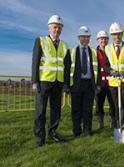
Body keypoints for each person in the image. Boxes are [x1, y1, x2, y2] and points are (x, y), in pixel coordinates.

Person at [32, 15, 70, 147]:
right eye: (55, 27)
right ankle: (39, 138)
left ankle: (52, 133)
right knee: (40, 111)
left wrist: (66, 83)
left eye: (59, 27)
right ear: (49, 28)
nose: (57, 30)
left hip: (58, 82)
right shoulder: (41, 41)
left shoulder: (65, 45)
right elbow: (35, 62)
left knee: (56, 110)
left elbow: (67, 67)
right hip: (44, 82)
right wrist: (34, 81)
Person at [103, 22, 124, 130]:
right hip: (113, 81)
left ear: (122, 34)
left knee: (123, 98)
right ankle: (116, 122)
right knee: (114, 103)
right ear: (111, 36)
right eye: (114, 34)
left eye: (118, 34)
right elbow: (105, 65)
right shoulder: (107, 49)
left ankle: (123, 122)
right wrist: (110, 71)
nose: (116, 36)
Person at [69, 26, 101, 137]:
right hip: (76, 84)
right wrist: (67, 85)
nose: (85, 39)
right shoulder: (72, 51)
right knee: (76, 109)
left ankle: (87, 129)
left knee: (88, 109)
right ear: (79, 38)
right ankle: (76, 130)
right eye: (83, 37)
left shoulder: (93, 52)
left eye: (87, 37)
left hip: (89, 84)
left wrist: (98, 85)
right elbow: (68, 69)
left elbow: (98, 69)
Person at [95, 30, 115, 130]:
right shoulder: (94, 53)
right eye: (101, 38)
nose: (103, 40)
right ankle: (100, 122)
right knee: (99, 104)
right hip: (100, 83)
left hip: (111, 82)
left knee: (113, 103)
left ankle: (113, 122)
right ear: (98, 40)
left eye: (105, 38)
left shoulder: (111, 51)